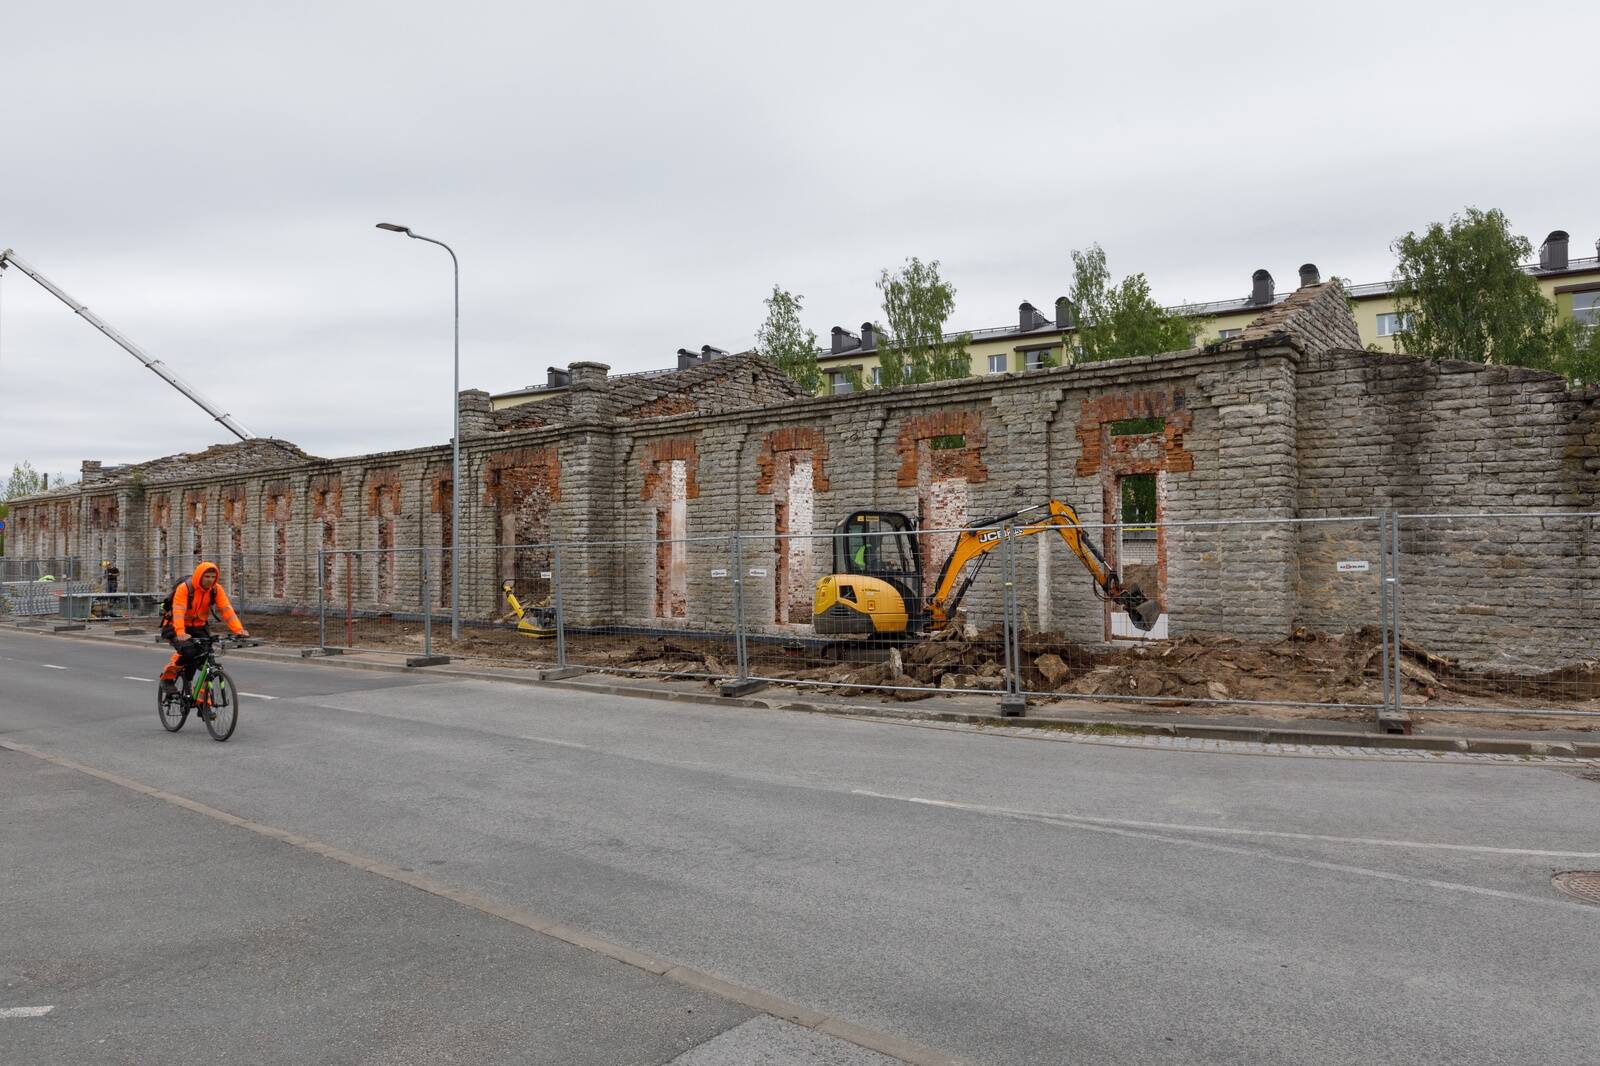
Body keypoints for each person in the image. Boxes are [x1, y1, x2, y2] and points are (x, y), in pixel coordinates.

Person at [159, 561, 248, 698]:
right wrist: (181, 632)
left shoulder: (215, 589)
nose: (210, 580)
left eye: (213, 577)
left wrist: (239, 630)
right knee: (188, 651)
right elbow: (179, 612)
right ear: (199, 576)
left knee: (207, 659)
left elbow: (226, 610)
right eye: (207, 577)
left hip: (199, 626)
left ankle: (202, 700)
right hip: (175, 626)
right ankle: (168, 677)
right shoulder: (185, 588)